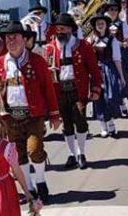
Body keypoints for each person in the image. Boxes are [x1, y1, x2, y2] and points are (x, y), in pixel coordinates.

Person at [0, 20, 61, 203]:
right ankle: (28, 187)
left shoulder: (37, 61)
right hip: (10, 117)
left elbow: (48, 89)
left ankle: (41, 181)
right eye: (8, 38)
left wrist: (54, 114)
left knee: (34, 149)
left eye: (15, 37)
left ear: (23, 39)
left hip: (33, 114)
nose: (11, 41)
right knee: (17, 154)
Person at [44, 13, 102, 169]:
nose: (59, 32)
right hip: (59, 91)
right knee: (67, 124)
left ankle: (81, 152)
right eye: (57, 29)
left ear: (70, 29)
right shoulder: (50, 48)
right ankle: (71, 154)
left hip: (78, 89)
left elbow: (95, 71)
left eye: (62, 28)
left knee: (81, 122)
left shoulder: (84, 46)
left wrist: (96, 88)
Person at [84, 13, 126, 138]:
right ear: (95, 26)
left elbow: (117, 59)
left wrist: (121, 76)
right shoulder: (90, 40)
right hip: (96, 71)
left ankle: (111, 122)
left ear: (106, 25)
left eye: (102, 23)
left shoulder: (112, 40)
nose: (100, 26)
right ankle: (103, 126)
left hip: (109, 70)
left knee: (110, 97)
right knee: (98, 98)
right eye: (98, 24)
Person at [108, 1, 128, 113]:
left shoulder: (122, 24)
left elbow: (127, 42)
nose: (113, 12)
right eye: (111, 9)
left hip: (120, 56)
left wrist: (116, 43)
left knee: (122, 80)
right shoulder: (103, 24)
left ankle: (122, 103)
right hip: (107, 56)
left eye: (115, 9)